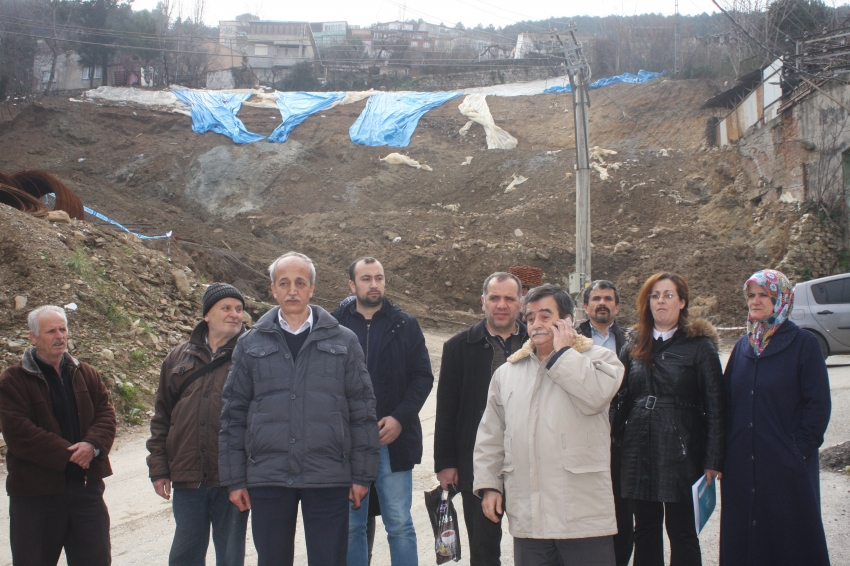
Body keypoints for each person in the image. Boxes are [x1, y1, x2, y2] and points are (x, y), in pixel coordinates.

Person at [218, 251, 379, 566]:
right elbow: (232, 415)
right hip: (268, 477)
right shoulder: (249, 344)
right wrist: (235, 479)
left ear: (312, 289)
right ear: (273, 289)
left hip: (328, 476)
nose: (292, 290)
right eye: (284, 283)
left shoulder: (344, 341)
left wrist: (362, 475)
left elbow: (362, 411)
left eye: (300, 282)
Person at [473, 284, 624, 565]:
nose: (536, 325)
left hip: (583, 518)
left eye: (545, 316)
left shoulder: (601, 360)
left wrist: (563, 352)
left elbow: (594, 397)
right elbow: (491, 435)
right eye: (530, 318)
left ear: (567, 320)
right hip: (531, 521)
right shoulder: (507, 373)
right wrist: (490, 485)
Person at [720, 269, 831, 566]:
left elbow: (818, 406)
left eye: (763, 295)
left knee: (789, 541)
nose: (755, 301)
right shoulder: (744, 346)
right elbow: (727, 403)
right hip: (742, 467)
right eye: (751, 295)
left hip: (785, 468)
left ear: (780, 298)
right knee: (746, 542)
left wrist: (797, 451)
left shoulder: (803, 344)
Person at [617, 272, 724, 566]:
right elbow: (621, 399)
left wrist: (713, 459)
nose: (660, 301)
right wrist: (613, 443)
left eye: (668, 295)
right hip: (639, 448)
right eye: (655, 295)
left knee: (682, 532)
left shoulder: (700, 347)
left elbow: (716, 405)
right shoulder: (633, 345)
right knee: (646, 531)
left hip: (682, 449)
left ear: (682, 302)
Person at [332, 257, 434, 566]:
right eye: (365, 278)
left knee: (399, 524)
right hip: (348, 443)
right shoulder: (333, 325)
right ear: (352, 284)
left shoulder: (405, 324)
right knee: (352, 527)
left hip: (392, 441)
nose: (374, 284)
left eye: (379, 277)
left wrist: (400, 418)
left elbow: (422, 377)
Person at [0, 305, 117, 566]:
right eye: (51, 330)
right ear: (33, 336)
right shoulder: (13, 380)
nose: (59, 336)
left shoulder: (86, 374)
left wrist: (92, 445)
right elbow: (18, 432)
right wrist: (72, 455)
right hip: (36, 498)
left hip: (86, 493)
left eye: (63, 329)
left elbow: (106, 416)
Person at [147, 283, 250, 566]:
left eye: (239, 309)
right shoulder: (178, 357)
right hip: (188, 477)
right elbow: (162, 418)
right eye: (226, 308)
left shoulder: (253, 355)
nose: (234, 314)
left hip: (232, 477)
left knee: (230, 557)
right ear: (207, 315)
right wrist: (159, 469)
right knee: (185, 554)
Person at [434, 271, 527, 566]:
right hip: (477, 463)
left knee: (536, 546)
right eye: (495, 298)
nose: (502, 305)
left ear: (520, 303)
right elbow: (447, 409)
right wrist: (446, 463)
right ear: (483, 302)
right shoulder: (458, 347)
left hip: (529, 461)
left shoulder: (537, 343)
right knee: (484, 551)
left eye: (509, 298)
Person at [577, 280, 633, 566]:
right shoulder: (569, 340)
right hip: (583, 436)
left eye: (608, 299)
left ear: (617, 307)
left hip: (621, 439)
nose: (602, 303)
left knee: (621, 510)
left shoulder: (633, 341)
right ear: (585, 306)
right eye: (596, 298)